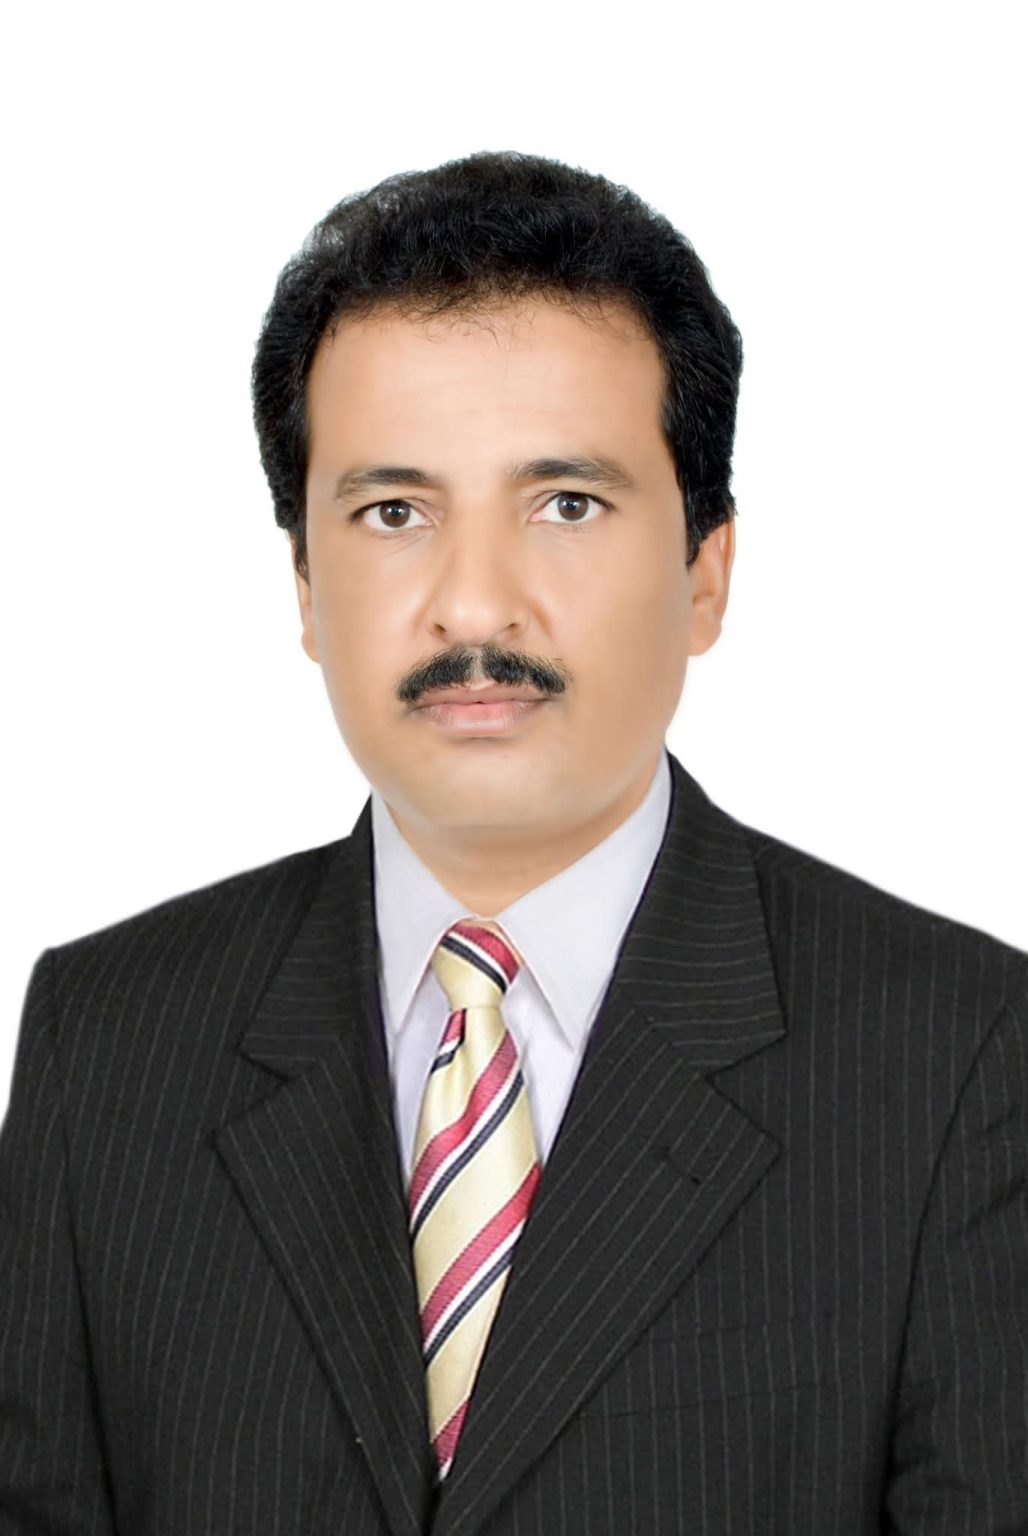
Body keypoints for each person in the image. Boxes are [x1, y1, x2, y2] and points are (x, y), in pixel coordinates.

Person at [2, 148, 1026, 1536]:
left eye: (566, 504)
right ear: (303, 585)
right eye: (394, 512)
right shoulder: (106, 1044)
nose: (474, 606)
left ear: (706, 571)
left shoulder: (956, 1056)